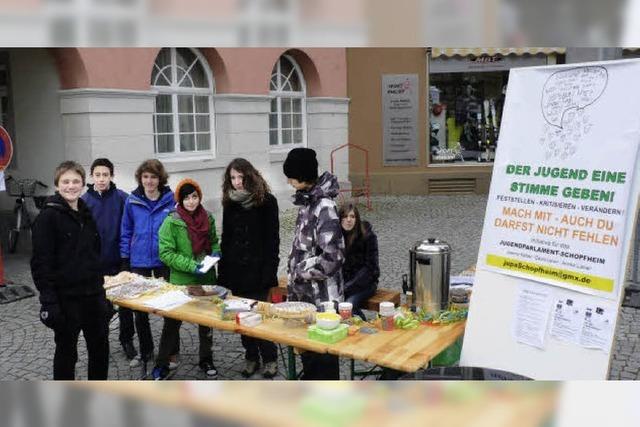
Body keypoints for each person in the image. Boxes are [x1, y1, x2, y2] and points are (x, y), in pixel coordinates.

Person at [31, 160, 111, 380]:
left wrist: (103, 296)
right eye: (65, 181)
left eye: (76, 181)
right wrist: (49, 302)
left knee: (100, 351)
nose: (71, 186)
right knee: (67, 354)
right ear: (57, 185)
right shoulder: (47, 217)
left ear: (84, 185)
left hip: (93, 297)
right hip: (66, 300)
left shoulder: (86, 213)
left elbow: (94, 255)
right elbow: (40, 264)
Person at [282, 147, 345, 380]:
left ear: (303, 175)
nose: (288, 180)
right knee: (309, 361)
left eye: (291, 176)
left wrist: (299, 270)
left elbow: (333, 257)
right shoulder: (308, 203)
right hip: (306, 299)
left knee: (324, 365)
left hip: (323, 303)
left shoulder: (324, 207)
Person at [151, 178, 221, 380]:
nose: (191, 202)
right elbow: (166, 253)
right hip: (181, 279)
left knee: (206, 323)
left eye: (194, 197)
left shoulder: (208, 217)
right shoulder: (171, 221)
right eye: (186, 198)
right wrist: (192, 266)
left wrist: (216, 253)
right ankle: (163, 362)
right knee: (172, 324)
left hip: (206, 277)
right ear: (179, 200)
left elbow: (214, 241)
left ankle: (206, 359)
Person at [218, 158, 280, 379]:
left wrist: (269, 273)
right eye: (232, 178)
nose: (236, 182)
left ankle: (270, 358)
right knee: (242, 317)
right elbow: (226, 239)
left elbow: (273, 241)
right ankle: (251, 357)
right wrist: (223, 273)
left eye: (240, 177)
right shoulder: (230, 202)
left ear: (249, 176)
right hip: (236, 272)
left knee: (259, 316)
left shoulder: (267, 201)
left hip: (258, 271)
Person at [120, 159, 174, 370]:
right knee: (139, 309)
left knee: (170, 305)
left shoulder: (171, 200)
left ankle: (169, 351)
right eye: (145, 177)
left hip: (164, 259)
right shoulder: (132, 201)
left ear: (160, 179)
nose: (149, 181)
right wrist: (125, 258)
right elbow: (125, 230)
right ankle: (146, 350)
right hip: (139, 260)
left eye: (153, 177)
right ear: (140, 178)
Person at [81, 158, 135, 361]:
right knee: (99, 307)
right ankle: (100, 341)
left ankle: (127, 338)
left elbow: (130, 228)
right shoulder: (84, 201)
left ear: (112, 176)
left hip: (119, 261)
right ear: (92, 176)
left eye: (105, 175)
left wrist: (125, 258)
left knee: (125, 305)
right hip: (96, 265)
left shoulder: (123, 198)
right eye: (97, 175)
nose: (101, 179)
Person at [339, 204, 380, 320]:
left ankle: (364, 328)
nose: (348, 220)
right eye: (345, 216)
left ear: (357, 219)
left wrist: (348, 287)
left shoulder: (368, 236)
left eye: (352, 216)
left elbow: (371, 268)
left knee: (348, 305)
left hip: (366, 283)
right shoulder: (337, 237)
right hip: (344, 284)